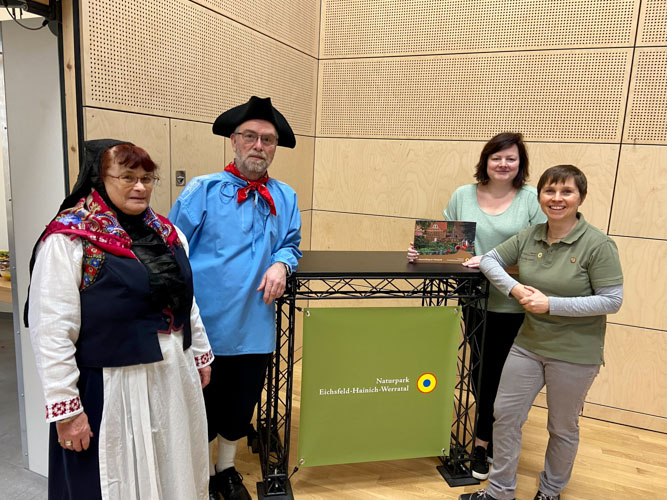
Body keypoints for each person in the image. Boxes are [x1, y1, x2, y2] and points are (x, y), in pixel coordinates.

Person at [26, 139, 214, 500]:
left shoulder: (168, 233)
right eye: (127, 177)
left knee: (174, 466)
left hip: (172, 376)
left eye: (147, 178)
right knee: (118, 478)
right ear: (100, 178)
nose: (140, 186)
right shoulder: (69, 240)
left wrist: (200, 352)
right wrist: (66, 409)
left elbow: (187, 300)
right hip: (112, 385)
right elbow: (51, 329)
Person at [460, 165, 623, 500]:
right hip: (528, 344)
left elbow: (612, 300)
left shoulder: (598, 244)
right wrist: (515, 289)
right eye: (549, 191)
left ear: (581, 198)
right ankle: (500, 491)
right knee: (505, 416)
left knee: (561, 427)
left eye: (566, 192)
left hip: (575, 353)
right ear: (540, 197)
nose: (557, 198)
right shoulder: (530, 235)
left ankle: (550, 491)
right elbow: (489, 260)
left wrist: (551, 304)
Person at [169, 96, 302, 500]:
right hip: (205, 326)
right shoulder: (202, 190)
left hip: (255, 324)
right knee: (202, 405)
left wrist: (281, 264)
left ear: (275, 147)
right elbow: (172, 248)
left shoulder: (286, 196)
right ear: (234, 141)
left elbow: (291, 243)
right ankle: (199, 477)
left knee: (241, 405)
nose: (259, 146)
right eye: (250, 136)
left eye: (267, 139)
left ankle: (225, 470)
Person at [408, 132, 546, 479]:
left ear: (521, 164)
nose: (503, 164)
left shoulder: (531, 199)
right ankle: (488, 437)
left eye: (511, 158)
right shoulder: (462, 195)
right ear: (485, 161)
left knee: (504, 376)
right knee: (479, 371)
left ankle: (486, 443)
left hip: (514, 304)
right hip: (472, 300)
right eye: (496, 157)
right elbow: (448, 244)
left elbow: (539, 257)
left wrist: (492, 266)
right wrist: (423, 251)